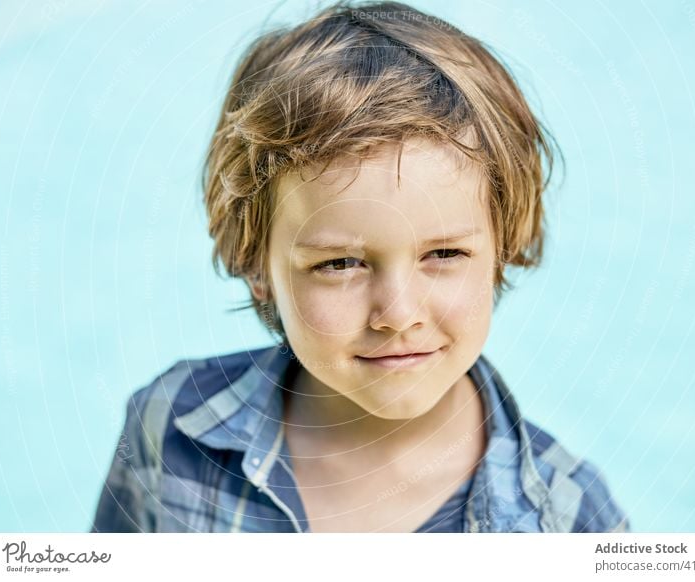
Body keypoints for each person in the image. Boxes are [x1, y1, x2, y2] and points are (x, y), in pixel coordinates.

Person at [91, 0, 628, 533]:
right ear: (256, 266)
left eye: (444, 254)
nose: (397, 314)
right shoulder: (171, 430)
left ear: (502, 246)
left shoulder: (568, 523)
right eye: (340, 263)